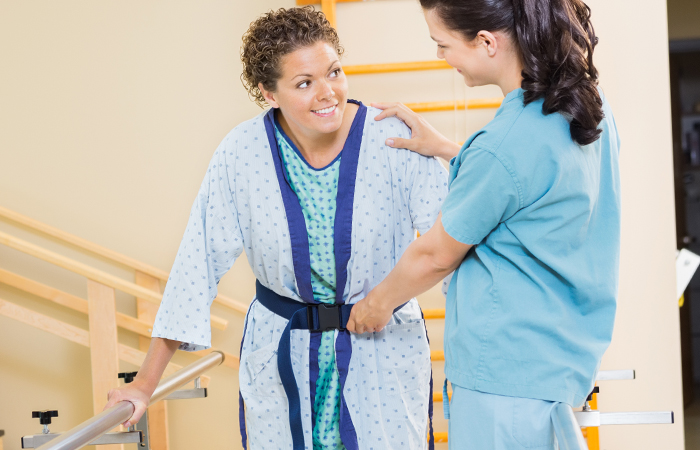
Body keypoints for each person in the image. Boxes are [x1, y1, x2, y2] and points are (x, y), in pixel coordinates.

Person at [103, 7, 447, 450]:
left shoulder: (394, 138)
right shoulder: (241, 154)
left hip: (381, 347)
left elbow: (451, 237)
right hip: (283, 350)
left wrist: (387, 299)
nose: (328, 94)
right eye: (304, 83)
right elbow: (197, 264)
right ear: (269, 92)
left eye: (334, 72)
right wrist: (143, 385)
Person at [348, 0, 620, 448]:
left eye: (443, 45)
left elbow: (435, 255)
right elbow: (538, 182)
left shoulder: (505, 144)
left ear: (486, 42)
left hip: (505, 382)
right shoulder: (585, 104)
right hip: (555, 369)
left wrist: (375, 306)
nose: (441, 57)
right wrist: (448, 148)